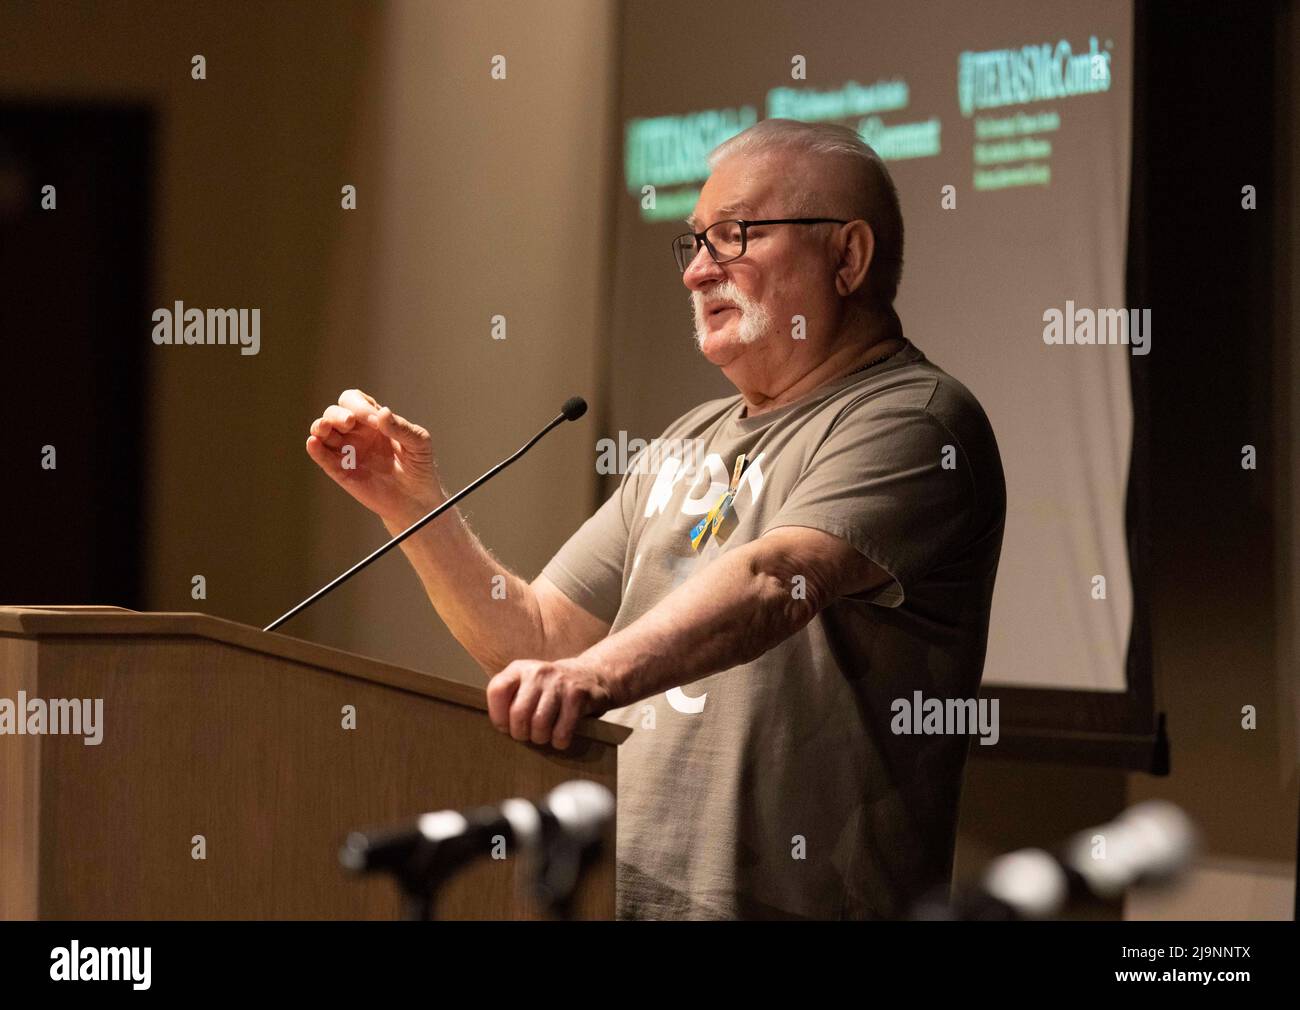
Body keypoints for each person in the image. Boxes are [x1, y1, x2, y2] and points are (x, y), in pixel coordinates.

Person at [306, 118, 1006, 920]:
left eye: (735, 236)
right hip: (624, 896)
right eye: (696, 242)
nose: (698, 272)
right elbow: (537, 638)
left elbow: (777, 578)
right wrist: (412, 506)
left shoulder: (917, 420)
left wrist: (594, 678)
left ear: (847, 256)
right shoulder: (686, 438)